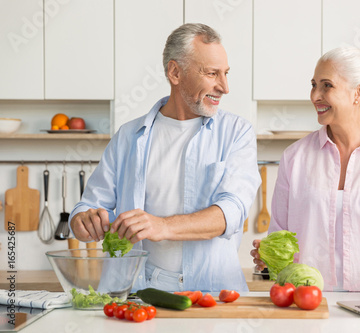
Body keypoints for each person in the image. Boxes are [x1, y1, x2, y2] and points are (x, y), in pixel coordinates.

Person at [69, 23, 261, 292]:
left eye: (226, 73)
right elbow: (87, 206)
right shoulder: (127, 136)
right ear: (175, 72)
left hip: (213, 295)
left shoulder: (236, 133)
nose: (224, 87)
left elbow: (231, 213)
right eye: (212, 74)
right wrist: (83, 221)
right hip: (133, 293)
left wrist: (162, 226)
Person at [251, 47, 360, 292]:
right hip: (306, 303)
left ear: (359, 92)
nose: (315, 95)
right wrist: (267, 257)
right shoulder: (295, 157)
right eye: (313, 84)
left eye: (327, 85)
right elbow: (280, 237)